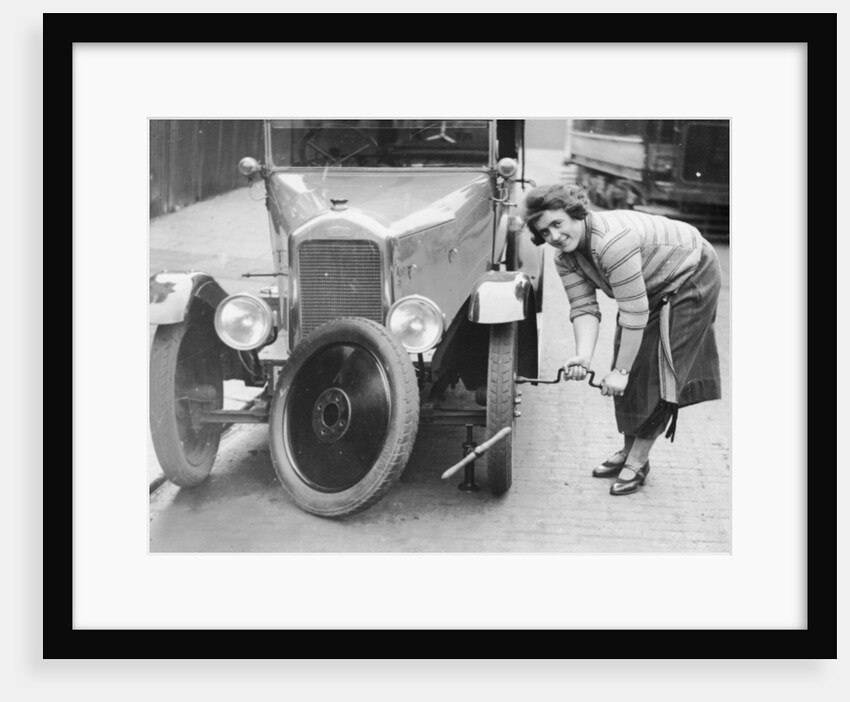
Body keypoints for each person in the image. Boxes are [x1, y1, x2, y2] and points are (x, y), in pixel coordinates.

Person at [522, 183, 722, 495]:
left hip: (690, 273)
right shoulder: (565, 258)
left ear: (575, 213)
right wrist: (583, 357)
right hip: (649, 286)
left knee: (657, 369)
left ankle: (639, 460)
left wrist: (622, 372)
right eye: (545, 232)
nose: (554, 236)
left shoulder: (612, 243)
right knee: (626, 358)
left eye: (557, 224)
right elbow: (584, 307)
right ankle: (628, 451)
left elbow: (633, 313)